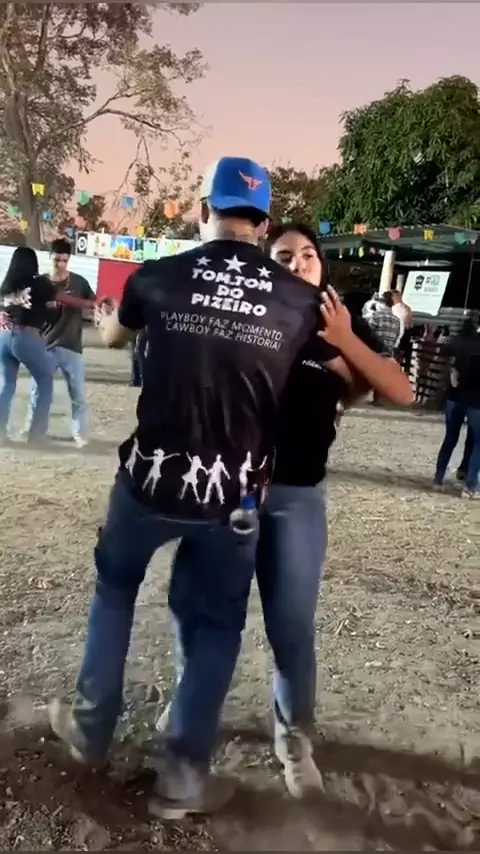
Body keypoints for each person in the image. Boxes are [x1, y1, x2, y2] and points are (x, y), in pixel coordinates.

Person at [47, 157, 324, 819]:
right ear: (263, 225)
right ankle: (181, 779)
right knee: (215, 626)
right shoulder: (299, 300)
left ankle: (90, 728)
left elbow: (117, 335)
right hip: (233, 495)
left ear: (204, 212)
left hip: (148, 478)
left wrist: (115, 321)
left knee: (116, 590)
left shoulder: (158, 276)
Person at [255, 225, 412, 797]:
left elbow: (401, 391)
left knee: (292, 630)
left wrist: (345, 339)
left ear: (322, 267)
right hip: (228, 496)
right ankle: (189, 722)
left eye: (308, 255)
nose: (298, 264)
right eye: (283, 256)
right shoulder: (245, 317)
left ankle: (295, 739)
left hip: (296, 501)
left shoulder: (336, 328)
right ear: (264, 265)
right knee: (203, 620)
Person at [0, 247, 92, 444]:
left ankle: (0, 432)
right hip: (26, 337)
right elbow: (68, 300)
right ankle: (37, 434)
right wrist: (93, 304)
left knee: (6, 385)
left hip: (4, 338)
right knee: (44, 380)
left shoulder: (7, 284)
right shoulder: (40, 283)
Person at [23, 238, 96, 448]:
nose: (60, 264)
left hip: (71, 346)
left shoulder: (79, 282)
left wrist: (88, 308)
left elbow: (93, 302)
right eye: (57, 260)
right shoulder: (40, 283)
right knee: (38, 392)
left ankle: (79, 433)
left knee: (78, 394)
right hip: (44, 345)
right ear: (50, 257)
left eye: (64, 260)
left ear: (69, 260)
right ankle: (32, 428)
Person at [434, 318, 480, 498]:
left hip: (456, 397)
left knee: (450, 438)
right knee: (477, 443)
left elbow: (452, 371)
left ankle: (439, 478)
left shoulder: (457, 344)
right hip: (476, 401)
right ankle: (470, 485)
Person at [365, 291, 401, 358]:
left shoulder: (376, 316)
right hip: (389, 355)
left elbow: (367, 334)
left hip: (374, 353)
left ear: (382, 304)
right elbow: (396, 338)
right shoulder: (397, 320)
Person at [391, 289, 413, 370]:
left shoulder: (393, 308)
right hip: (405, 335)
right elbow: (410, 325)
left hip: (397, 335)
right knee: (399, 358)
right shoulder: (408, 308)